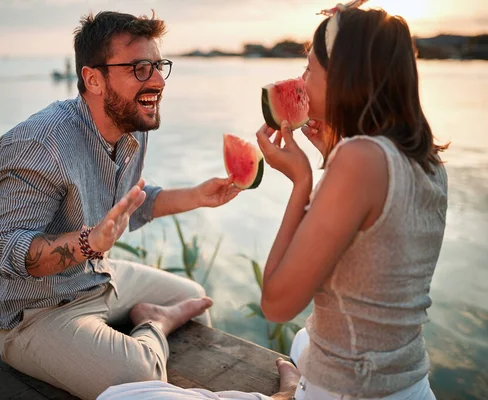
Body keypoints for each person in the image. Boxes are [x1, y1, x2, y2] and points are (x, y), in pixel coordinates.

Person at [99, 2, 448, 399]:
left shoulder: (359, 159)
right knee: (303, 340)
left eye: (310, 70)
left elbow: (276, 305)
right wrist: (330, 155)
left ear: (343, 78)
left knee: (117, 397)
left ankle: (288, 393)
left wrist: (301, 182)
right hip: (409, 383)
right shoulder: (425, 157)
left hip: (348, 391)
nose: (300, 81)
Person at [0, 11, 241, 400]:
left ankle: (158, 327)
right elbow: (7, 249)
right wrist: (90, 241)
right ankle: (155, 324)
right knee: (136, 371)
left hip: (97, 276)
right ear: (93, 79)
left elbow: (132, 203)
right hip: (36, 313)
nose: (156, 80)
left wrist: (198, 196)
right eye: (139, 68)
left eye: (158, 66)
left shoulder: (130, 125)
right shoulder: (39, 145)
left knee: (191, 293)